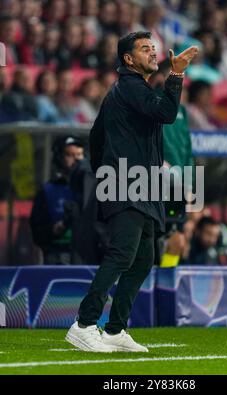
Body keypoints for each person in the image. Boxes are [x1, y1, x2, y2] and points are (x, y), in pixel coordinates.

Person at [65, 31, 199, 353]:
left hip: (140, 185)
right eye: (145, 49)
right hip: (128, 183)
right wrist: (176, 74)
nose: (153, 53)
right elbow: (167, 113)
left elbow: (97, 135)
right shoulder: (130, 87)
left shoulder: (128, 91)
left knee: (144, 258)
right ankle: (83, 324)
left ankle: (115, 329)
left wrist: (105, 171)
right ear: (128, 59)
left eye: (153, 48)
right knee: (123, 253)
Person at [30, 135, 85, 265]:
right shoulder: (47, 191)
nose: (76, 159)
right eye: (70, 155)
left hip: (89, 258)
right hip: (58, 257)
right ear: (59, 158)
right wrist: (55, 229)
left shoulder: (95, 189)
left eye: (80, 154)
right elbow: (37, 232)